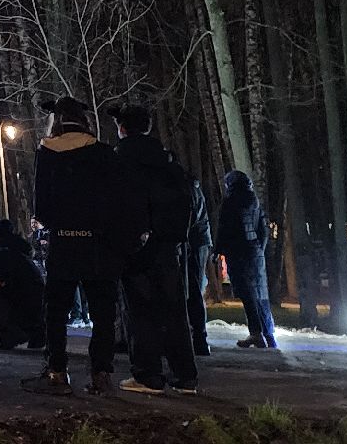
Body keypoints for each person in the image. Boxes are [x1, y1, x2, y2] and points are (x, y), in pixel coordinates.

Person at [22, 95, 144, 396]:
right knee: (103, 313)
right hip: (100, 245)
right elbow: (122, 201)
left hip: (64, 243)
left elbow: (43, 209)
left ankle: (56, 372)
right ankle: (101, 374)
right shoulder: (104, 154)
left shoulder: (47, 154)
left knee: (56, 312)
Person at [110, 105, 200, 395]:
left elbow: (118, 205)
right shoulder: (168, 163)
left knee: (140, 311)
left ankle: (148, 374)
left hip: (136, 248)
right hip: (169, 247)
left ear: (122, 128)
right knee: (175, 311)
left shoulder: (120, 161)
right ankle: (185, 375)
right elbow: (189, 204)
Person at [218, 170, 276, 350]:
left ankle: (256, 334)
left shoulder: (230, 202)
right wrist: (260, 248)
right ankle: (268, 334)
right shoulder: (254, 201)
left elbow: (225, 228)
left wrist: (219, 249)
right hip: (255, 252)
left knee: (248, 295)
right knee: (260, 295)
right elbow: (263, 229)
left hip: (239, 253)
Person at [185, 176, 213, 356]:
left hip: (194, 243)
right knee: (194, 289)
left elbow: (190, 219)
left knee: (193, 290)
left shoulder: (188, 191)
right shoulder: (194, 189)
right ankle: (199, 338)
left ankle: (199, 339)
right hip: (200, 241)